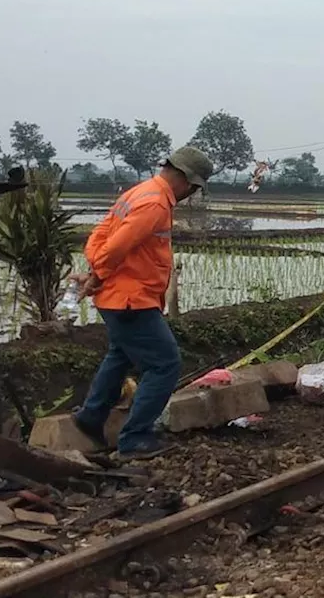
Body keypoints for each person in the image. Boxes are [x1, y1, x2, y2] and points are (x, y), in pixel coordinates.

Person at [72, 146, 214, 460]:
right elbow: (117, 246)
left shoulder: (139, 192)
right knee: (165, 364)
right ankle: (135, 437)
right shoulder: (154, 203)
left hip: (121, 297)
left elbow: (100, 234)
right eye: (193, 189)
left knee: (120, 355)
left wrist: (96, 272)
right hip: (130, 299)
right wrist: (98, 274)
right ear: (186, 181)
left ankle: (91, 417)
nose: (190, 195)